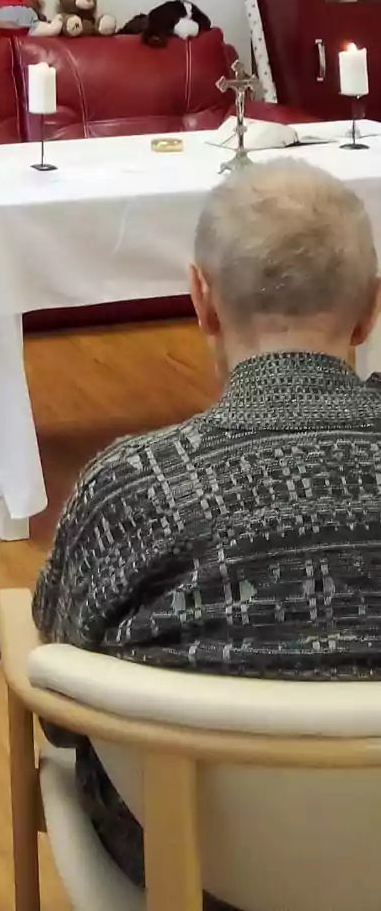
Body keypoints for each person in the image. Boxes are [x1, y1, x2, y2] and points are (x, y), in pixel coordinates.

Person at [33, 159, 381, 905]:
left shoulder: (130, 489)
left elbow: (60, 706)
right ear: (369, 310)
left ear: (201, 299)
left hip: (186, 865)